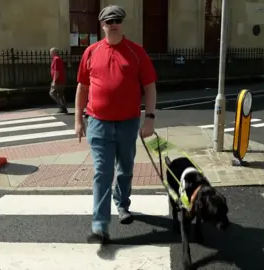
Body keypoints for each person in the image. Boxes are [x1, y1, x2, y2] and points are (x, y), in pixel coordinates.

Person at [74, 4, 158, 244]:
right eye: (108, 21)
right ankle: (100, 225)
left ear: (122, 23)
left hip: (128, 123)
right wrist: (78, 119)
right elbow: (82, 87)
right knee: (102, 172)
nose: (112, 24)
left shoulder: (136, 52)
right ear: (102, 25)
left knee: (126, 169)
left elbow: (150, 87)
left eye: (116, 20)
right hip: (98, 123)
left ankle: (122, 204)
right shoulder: (91, 52)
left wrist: (149, 119)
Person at [49, 47, 68, 114]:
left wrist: (54, 81)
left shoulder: (56, 59)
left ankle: (62, 106)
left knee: (52, 93)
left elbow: (57, 71)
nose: (50, 54)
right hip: (61, 80)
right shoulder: (58, 59)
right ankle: (63, 108)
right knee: (60, 94)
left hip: (58, 81)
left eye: (51, 52)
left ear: (54, 53)